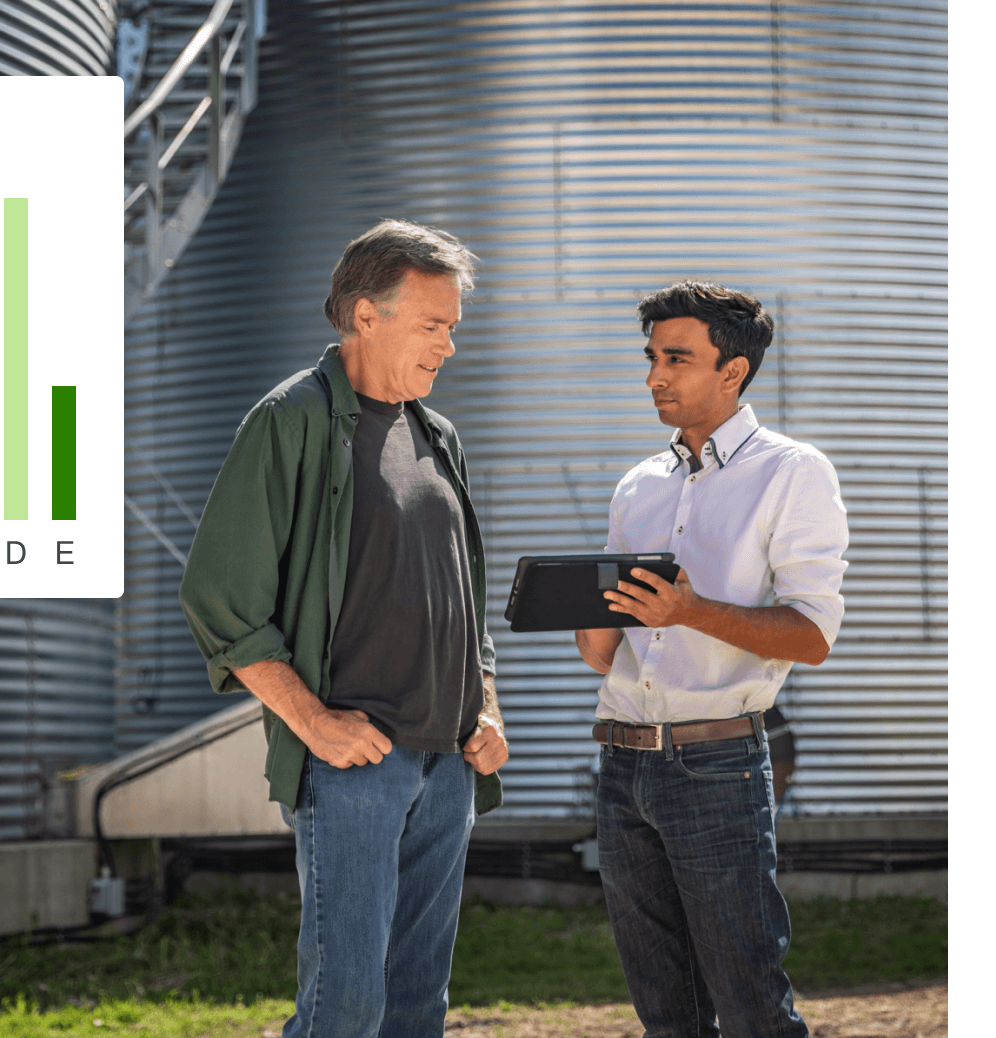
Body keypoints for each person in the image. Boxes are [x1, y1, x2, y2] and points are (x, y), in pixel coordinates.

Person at [180, 220, 509, 1038]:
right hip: (356, 766)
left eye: (452, 329)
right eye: (434, 326)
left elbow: (463, 596)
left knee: (416, 1007)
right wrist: (314, 722)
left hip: (446, 763)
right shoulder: (291, 421)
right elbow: (220, 599)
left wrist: (488, 706)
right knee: (346, 1007)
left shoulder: (439, 437)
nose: (448, 347)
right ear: (367, 315)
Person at [575, 281, 848, 1037]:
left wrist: (690, 611)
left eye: (676, 358)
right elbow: (605, 653)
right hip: (622, 767)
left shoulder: (793, 473)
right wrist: (581, 615)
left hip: (717, 766)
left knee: (751, 1000)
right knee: (666, 1013)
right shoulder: (638, 485)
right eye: (651, 357)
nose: (655, 375)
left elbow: (813, 637)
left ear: (733, 370)